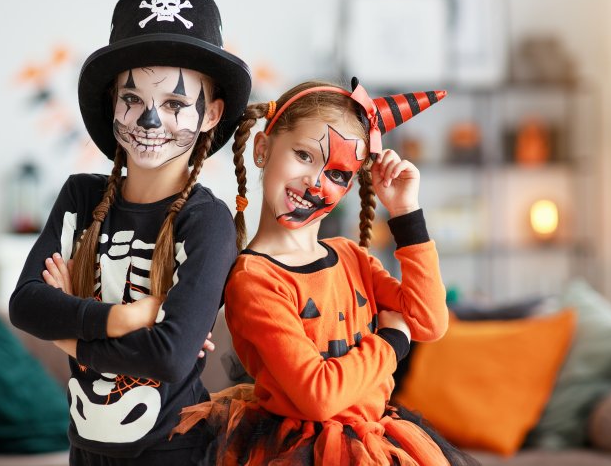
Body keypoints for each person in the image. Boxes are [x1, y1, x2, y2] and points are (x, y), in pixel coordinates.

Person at [172, 78, 478, 465]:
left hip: (376, 442)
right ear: (262, 147)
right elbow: (319, 396)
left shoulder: (352, 257)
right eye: (303, 155)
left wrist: (406, 214)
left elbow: (430, 321)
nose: (315, 182)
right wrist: (391, 343)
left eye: (337, 174)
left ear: (349, 187)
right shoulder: (254, 279)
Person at [8, 0, 251, 465]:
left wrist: (67, 331)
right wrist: (126, 317)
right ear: (112, 103)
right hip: (84, 450)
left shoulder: (207, 221)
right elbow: (25, 306)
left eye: (177, 104)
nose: (151, 121)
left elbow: (169, 356)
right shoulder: (82, 196)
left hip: (175, 453)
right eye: (133, 98)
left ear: (212, 114)